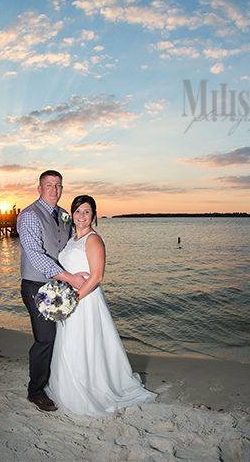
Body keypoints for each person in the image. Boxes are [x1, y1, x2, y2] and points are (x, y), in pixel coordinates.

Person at [45, 195, 156, 417]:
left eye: (87, 212)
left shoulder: (93, 240)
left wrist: (73, 300)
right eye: (78, 211)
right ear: (72, 214)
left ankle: (89, 388)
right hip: (71, 296)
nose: (82, 216)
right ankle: (67, 387)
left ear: (94, 216)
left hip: (85, 301)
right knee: (68, 343)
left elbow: (96, 277)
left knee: (83, 343)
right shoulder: (72, 238)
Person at [17, 170, 88, 412]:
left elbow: (73, 244)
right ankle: (35, 391)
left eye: (58, 185)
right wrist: (69, 277)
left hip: (60, 285)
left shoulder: (65, 215)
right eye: (49, 185)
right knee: (45, 338)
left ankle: (56, 381)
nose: (54, 189)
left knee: (62, 336)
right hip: (36, 286)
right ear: (39, 188)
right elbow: (36, 256)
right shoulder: (29, 216)